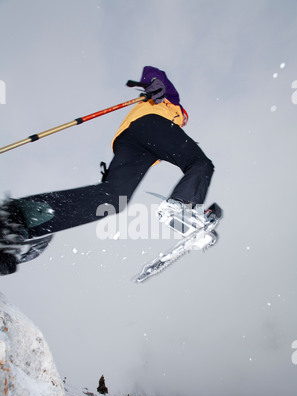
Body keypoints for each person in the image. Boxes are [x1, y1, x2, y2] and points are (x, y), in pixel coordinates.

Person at [0, 66, 214, 267]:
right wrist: (156, 83)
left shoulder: (170, 124)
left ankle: (16, 221)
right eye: (184, 119)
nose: (184, 122)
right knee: (201, 163)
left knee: (112, 199)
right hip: (149, 125)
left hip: (130, 142)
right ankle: (182, 208)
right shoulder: (171, 103)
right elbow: (153, 73)